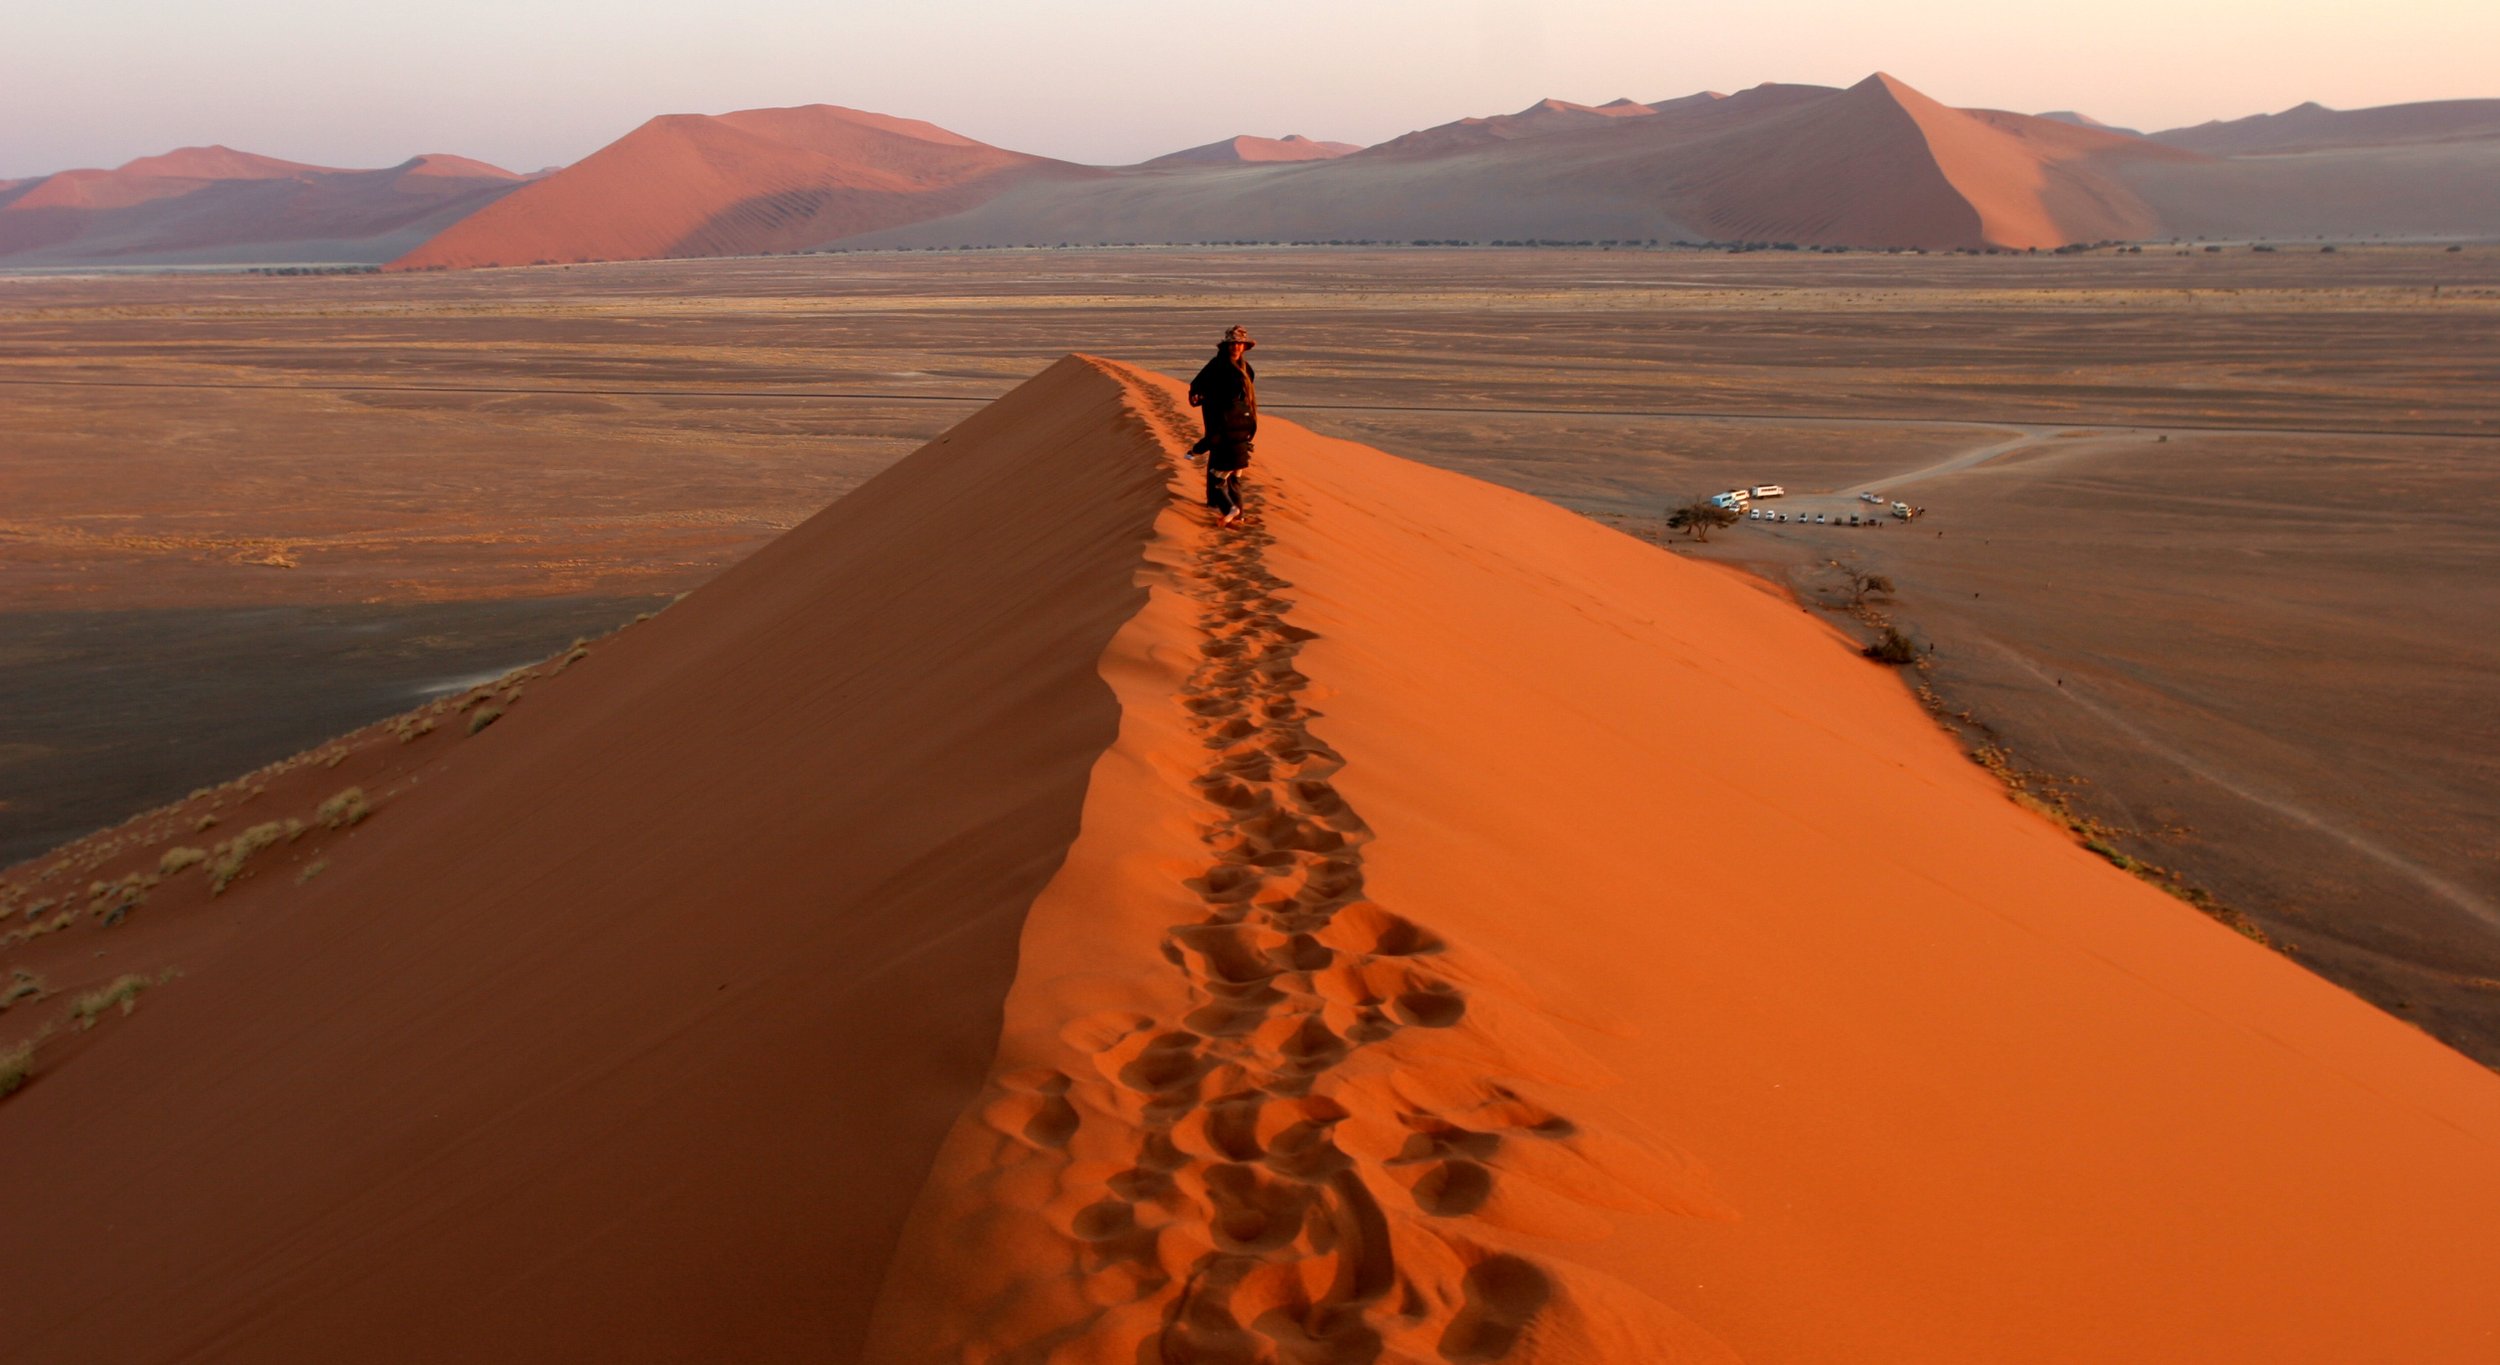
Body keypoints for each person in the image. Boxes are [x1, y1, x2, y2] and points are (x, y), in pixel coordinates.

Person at [1187, 325, 1257, 527]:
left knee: (1232, 463)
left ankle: (1233, 508)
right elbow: (1197, 386)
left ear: (1244, 346)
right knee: (1218, 455)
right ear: (1226, 346)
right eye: (1232, 344)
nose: (1236, 347)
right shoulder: (1216, 365)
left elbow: (1247, 397)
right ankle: (1216, 502)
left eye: (1239, 344)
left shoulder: (1246, 368)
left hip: (1237, 421)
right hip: (1217, 416)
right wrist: (1199, 397)